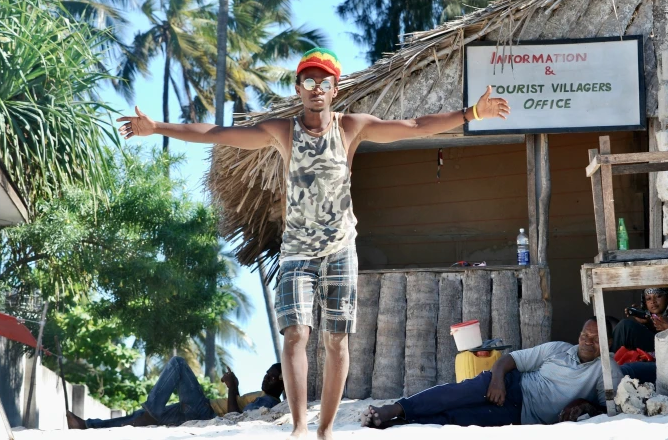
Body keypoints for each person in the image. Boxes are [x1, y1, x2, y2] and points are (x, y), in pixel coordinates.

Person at [116, 47, 510, 439]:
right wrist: (159, 128)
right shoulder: (283, 131)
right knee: (296, 334)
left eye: (324, 81)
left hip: (340, 250)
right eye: (309, 80)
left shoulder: (351, 127)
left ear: (335, 89)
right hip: (297, 254)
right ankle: (301, 426)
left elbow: (413, 126)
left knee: (336, 341)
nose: (317, 88)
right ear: (299, 88)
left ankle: (324, 430)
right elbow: (220, 134)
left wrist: (472, 113)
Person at [360, 318, 623, 429]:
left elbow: (611, 408)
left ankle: (398, 425)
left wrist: (585, 404)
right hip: (512, 384)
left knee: (460, 419)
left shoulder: (607, 369)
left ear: (609, 342)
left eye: (595, 337)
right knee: (457, 394)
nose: (587, 341)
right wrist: (498, 381)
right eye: (584, 334)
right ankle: (392, 410)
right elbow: (509, 359)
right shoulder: (559, 349)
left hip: (520, 415)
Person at [66, 357, 283, 429]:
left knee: (178, 363)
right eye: (267, 373)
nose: (266, 378)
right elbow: (239, 411)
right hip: (199, 412)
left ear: (283, 383)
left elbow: (237, 419)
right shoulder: (262, 395)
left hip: (206, 413)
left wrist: (233, 387)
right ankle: (86, 425)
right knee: (140, 419)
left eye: (272, 377)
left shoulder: (270, 402)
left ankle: (153, 407)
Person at [611, 287, 668, 352]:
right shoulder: (647, 317)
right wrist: (647, 323)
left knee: (625, 326)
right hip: (656, 346)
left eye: (658, 296)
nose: (653, 301)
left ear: (667, 297)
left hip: (667, 348)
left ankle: (609, 359)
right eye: (648, 299)